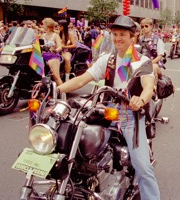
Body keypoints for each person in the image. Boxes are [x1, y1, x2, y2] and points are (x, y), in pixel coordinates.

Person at [57, 15, 160, 200]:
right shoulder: (108, 59)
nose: (118, 38)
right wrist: (55, 89)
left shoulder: (142, 61)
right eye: (115, 34)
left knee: (143, 167)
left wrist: (140, 100)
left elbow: (148, 87)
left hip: (130, 116)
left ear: (132, 37)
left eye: (122, 34)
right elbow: (82, 79)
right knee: (76, 140)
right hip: (105, 111)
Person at [41, 18, 63, 85]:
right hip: (42, 56)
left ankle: (63, 92)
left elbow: (60, 47)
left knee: (56, 76)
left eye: (43, 24)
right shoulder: (42, 35)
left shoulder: (56, 35)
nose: (42, 26)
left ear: (47, 25)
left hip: (52, 56)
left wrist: (55, 50)